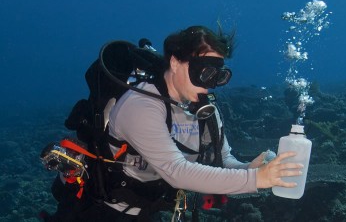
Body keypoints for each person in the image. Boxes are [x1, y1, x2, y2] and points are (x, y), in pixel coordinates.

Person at [42, 25, 303, 222]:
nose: (207, 84)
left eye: (217, 76)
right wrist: (257, 178)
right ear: (176, 63)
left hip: (150, 209)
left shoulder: (203, 108)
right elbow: (176, 171)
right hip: (101, 211)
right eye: (203, 72)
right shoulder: (141, 106)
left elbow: (222, 162)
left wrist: (249, 167)